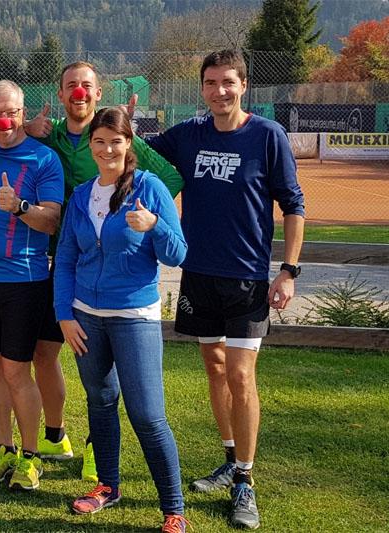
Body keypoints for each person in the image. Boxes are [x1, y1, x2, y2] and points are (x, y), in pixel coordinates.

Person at [0, 61, 184, 480]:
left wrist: (135, 217)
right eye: (71, 86)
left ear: (98, 92)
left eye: (86, 86)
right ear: (60, 94)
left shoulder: (118, 138)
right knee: (43, 354)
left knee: (94, 372)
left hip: (103, 270)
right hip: (54, 262)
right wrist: (28, 126)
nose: (79, 93)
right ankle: (56, 436)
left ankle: (97, 448)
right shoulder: (49, 135)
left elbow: (169, 177)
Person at [145, 49, 305, 530]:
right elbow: (135, 150)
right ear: (202, 88)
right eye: (211, 83)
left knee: (240, 375)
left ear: (244, 85)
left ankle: (246, 482)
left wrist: (289, 271)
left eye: (228, 83)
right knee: (215, 368)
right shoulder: (189, 134)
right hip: (197, 275)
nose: (219, 91)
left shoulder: (267, 135)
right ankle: (230, 460)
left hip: (249, 278)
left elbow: (293, 204)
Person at [55, 107, 188, 533]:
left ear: (129, 143)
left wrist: (153, 227)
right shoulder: (81, 196)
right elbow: (67, 260)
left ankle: (174, 508)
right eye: (99, 140)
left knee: (148, 414)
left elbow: (178, 254)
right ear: (91, 145)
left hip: (134, 317)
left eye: (116, 140)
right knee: (100, 402)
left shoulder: (148, 189)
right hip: (86, 319)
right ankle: (107, 487)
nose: (108, 148)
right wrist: (64, 316)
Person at [0, 80, 64, 491]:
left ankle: (30, 456)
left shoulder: (45, 159)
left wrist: (20, 207)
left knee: (15, 371)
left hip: (23, 280)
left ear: (22, 113)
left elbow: (52, 219)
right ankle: (3, 449)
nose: (3, 120)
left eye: (10, 111)